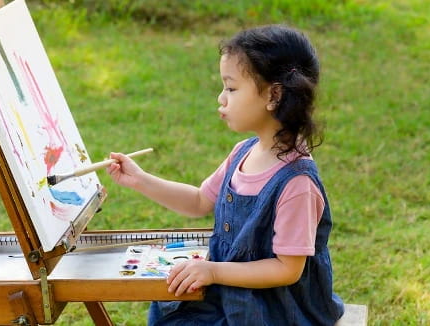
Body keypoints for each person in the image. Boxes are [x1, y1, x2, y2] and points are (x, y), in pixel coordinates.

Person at [107, 25, 344, 326]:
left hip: (278, 308)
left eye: (231, 88)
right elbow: (198, 201)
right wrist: (140, 179)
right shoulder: (242, 153)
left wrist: (214, 271)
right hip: (232, 293)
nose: (221, 98)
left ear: (274, 95)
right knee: (170, 312)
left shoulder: (296, 183)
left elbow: (287, 269)